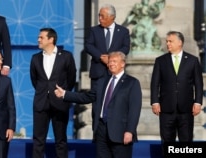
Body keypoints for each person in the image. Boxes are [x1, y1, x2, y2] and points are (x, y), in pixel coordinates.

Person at [55, 51, 142, 158]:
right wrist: (65, 94)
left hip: (120, 132)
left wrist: (130, 131)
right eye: (109, 62)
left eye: (114, 61)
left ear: (123, 64)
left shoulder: (132, 83)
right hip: (101, 131)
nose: (111, 64)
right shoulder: (102, 82)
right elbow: (86, 97)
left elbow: (134, 110)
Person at [30, 28, 76, 158]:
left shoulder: (66, 56)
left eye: (41, 37)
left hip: (60, 103)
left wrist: (63, 94)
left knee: (60, 140)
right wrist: (44, 91)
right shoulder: (35, 58)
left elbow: (71, 79)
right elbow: (35, 80)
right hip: (40, 103)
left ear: (51, 39)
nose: (38, 39)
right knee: (38, 140)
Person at [151, 31, 203, 143]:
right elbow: (155, 83)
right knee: (167, 141)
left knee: (186, 140)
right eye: (167, 41)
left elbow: (198, 83)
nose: (168, 44)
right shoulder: (160, 61)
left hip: (186, 109)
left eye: (171, 41)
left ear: (180, 42)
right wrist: (155, 102)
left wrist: (198, 102)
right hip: (166, 109)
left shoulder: (192, 60)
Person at [85, 4, 130, 91]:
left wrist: (111, 59)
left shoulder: (123, 31)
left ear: (112, 17)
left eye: (102, 16)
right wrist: (100, 57)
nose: (100, 18)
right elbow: (88, 45)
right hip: (98, 73)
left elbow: (126, 48)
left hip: (115, 73)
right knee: (97, 101)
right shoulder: (94, 30)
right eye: (99, 15)